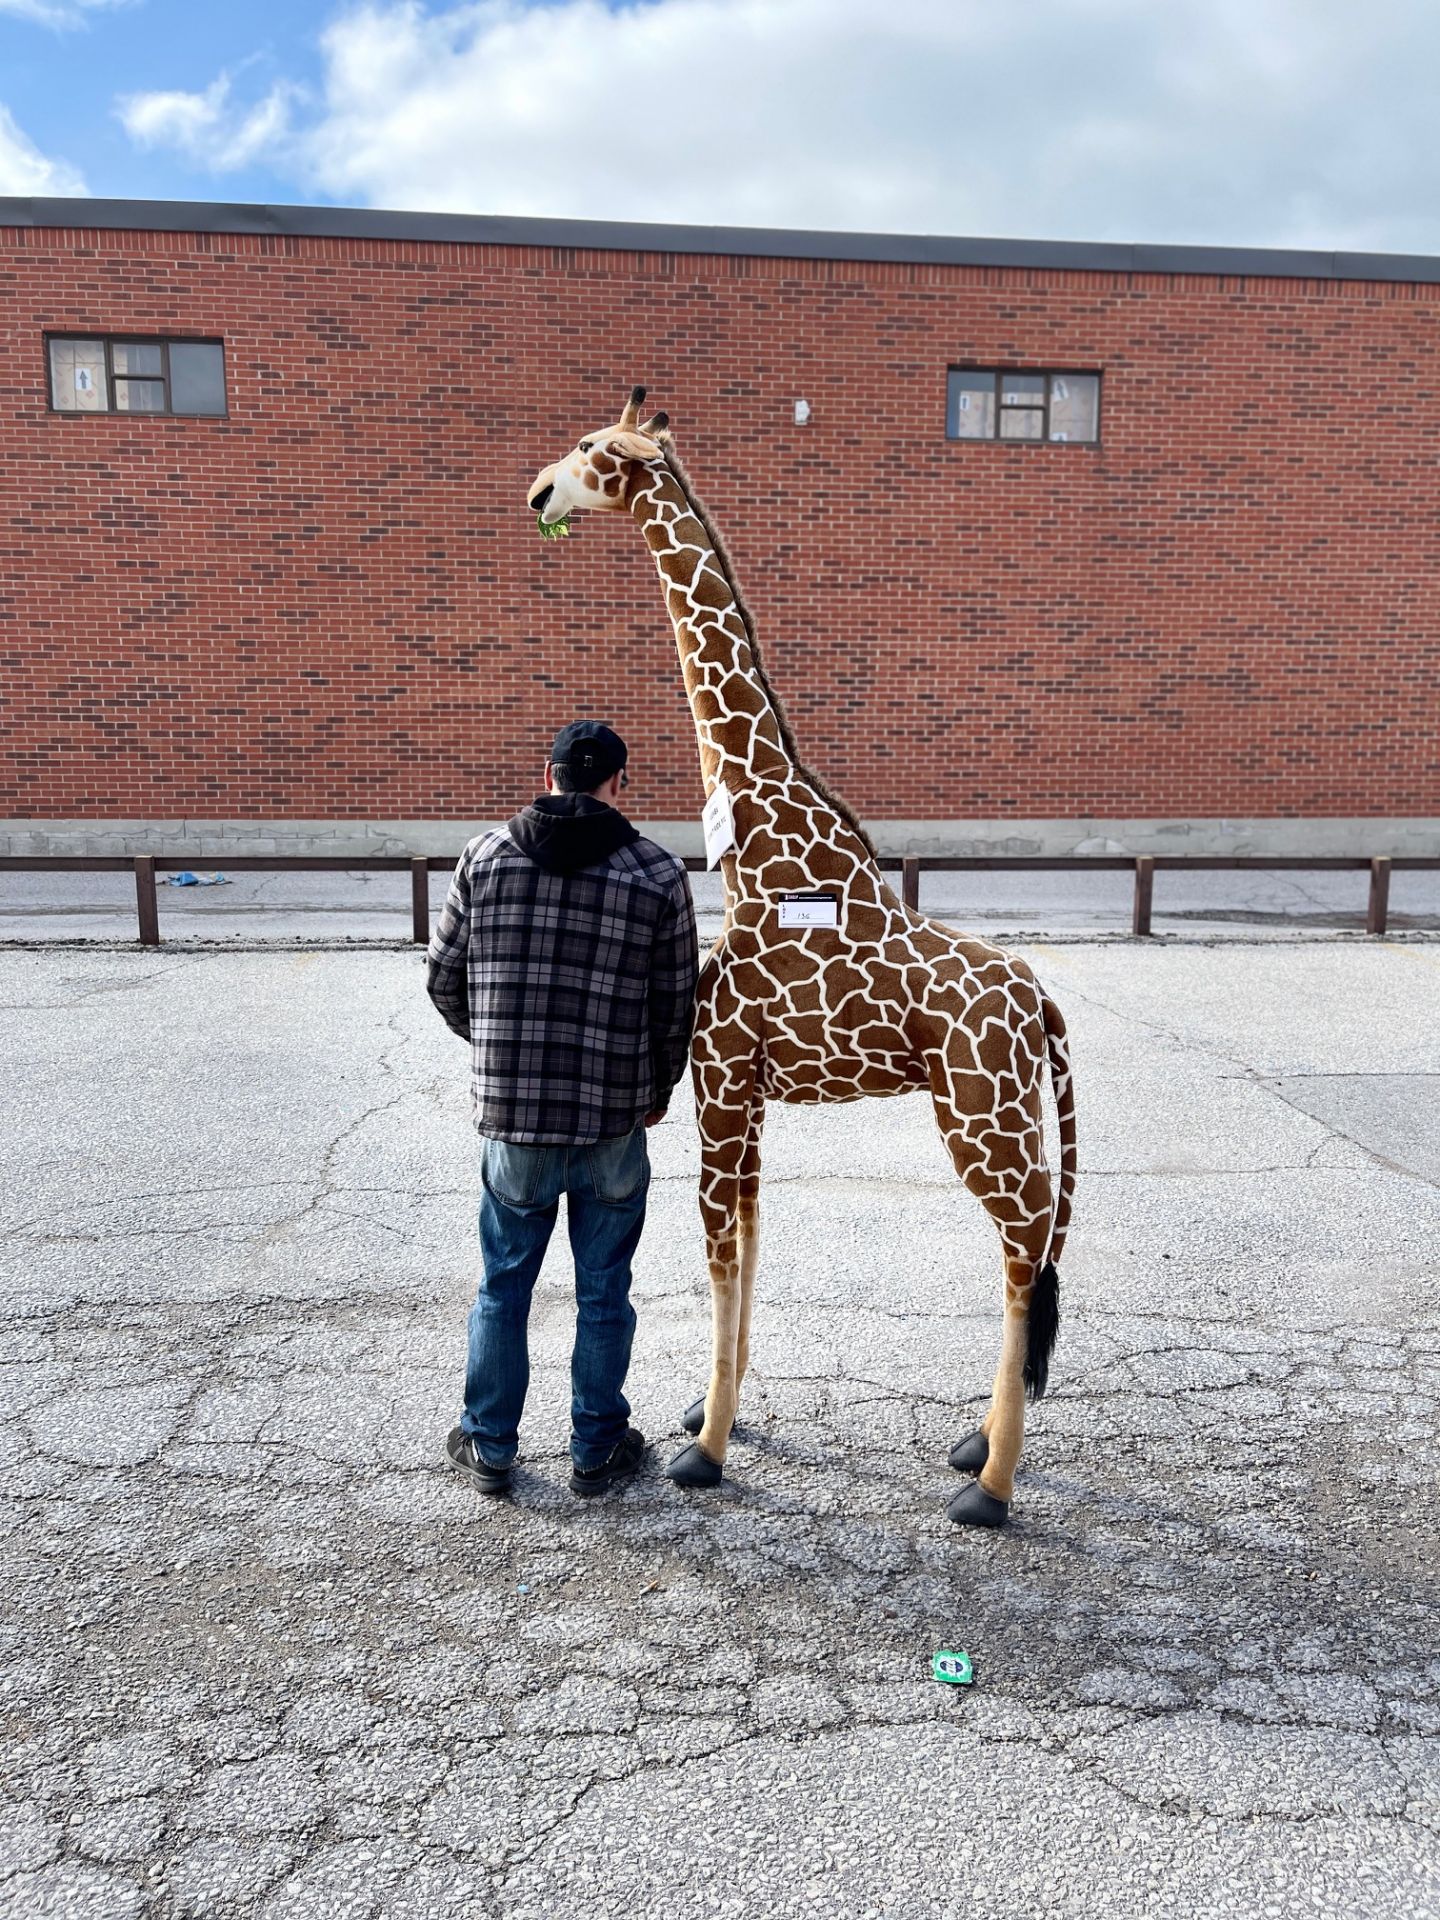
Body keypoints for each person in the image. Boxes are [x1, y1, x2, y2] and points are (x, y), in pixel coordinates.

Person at [426, 721, 699, 1498]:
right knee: (604, 1288)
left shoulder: (485, 858)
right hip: (613, 1119)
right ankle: (595, 1448)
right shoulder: (656, 871)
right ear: (619, 782)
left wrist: (497, 1053)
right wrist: (656, 1090)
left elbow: (444, 980)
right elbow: (675, 1004)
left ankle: (490, 1445)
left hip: (514, 1123)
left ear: (546, 776)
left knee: (503, 1285)